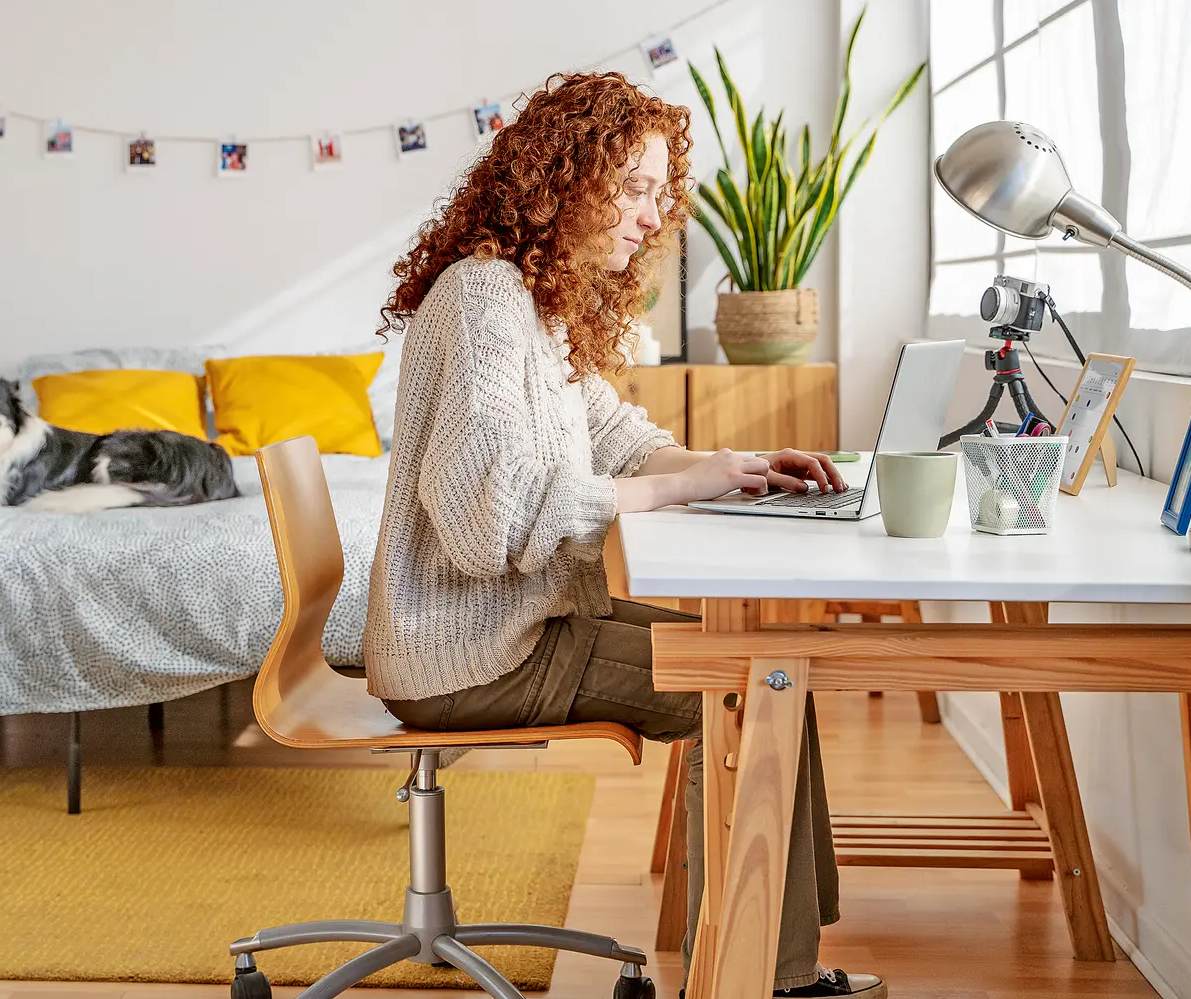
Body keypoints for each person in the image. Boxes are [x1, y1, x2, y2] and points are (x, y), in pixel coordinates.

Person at [364, 71, 882, 998]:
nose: (653, 218)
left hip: (515, 634)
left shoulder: (531, 304)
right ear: (568, 175)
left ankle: (763, 961)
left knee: (772, 669)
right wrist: (667, 490)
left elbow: (615, 436)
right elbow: (492, 522)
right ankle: (763, 975)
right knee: (757, 683)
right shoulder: (484, 301)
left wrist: (733, 463)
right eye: (636, 189)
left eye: (658, 193)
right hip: (472, 654)